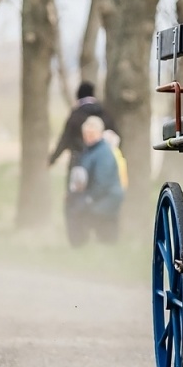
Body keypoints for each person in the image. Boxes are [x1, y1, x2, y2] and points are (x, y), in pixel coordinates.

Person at [65, 116, 125, 246]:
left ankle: (81, 246)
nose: (88, 136)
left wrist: (88, 199)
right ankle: (80, 247)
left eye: (91, 133)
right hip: (96, 196)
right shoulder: (89, 150)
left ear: (99, 133)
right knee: (72, 205)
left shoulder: (103, 153)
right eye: (86, 133)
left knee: (78, 210)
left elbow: (102, 183)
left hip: (107, 198)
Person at [49, 81, 116, 167]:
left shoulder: (76, 115)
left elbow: (65, 139)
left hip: (78, 161)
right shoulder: (104, 114)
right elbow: (115, 135)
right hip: (102, 162)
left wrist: (52, 159)